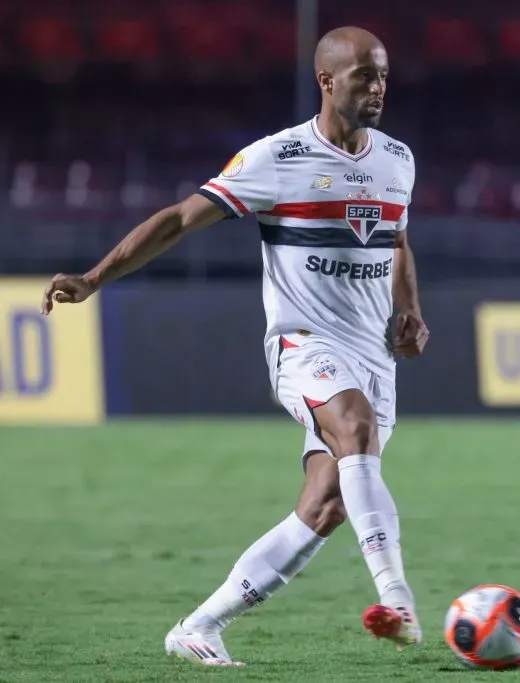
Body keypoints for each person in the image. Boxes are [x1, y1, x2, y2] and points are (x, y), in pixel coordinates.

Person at [39, 26, 427, 666]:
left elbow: (397, 241)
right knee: (354, 429)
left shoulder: (398, 159)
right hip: (305, 344)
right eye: (363, 75)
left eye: (383, 74)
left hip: (373, 355)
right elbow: (178, 219)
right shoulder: (277, 158)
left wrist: (409, 310)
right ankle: (399, 599)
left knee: (326, 506)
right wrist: (95, 276)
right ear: (327, 82)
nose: (378, 87)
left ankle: (199, 627)